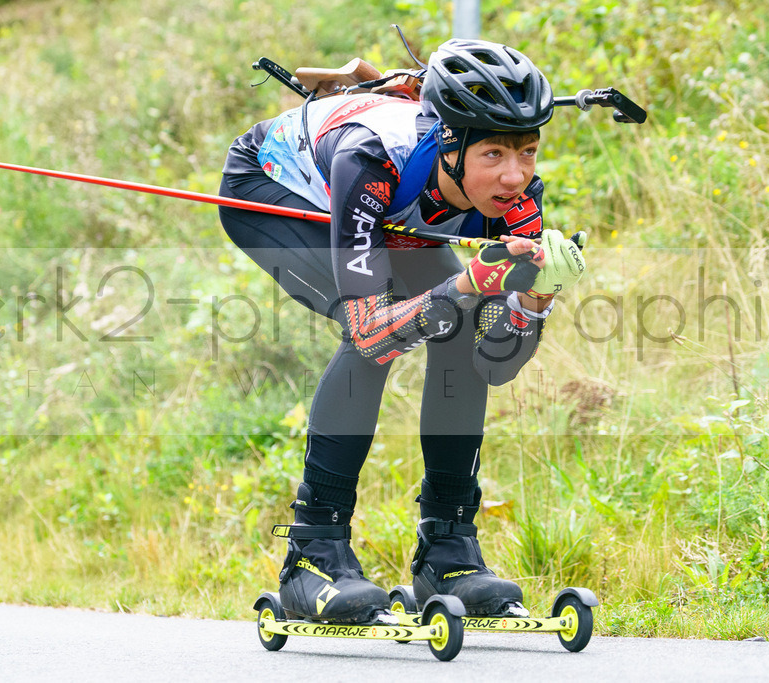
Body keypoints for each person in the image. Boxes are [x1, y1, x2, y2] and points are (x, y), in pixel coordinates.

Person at [218, 39, 587, 623]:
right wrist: (467, 284)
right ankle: (313, 555)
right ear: (449, 143)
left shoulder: (519, 202)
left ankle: (448, 549)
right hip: (274, 190)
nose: (514, 175)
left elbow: (495, 364)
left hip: (394, 212)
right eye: (493, 153)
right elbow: (372, 331)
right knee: (374, 334)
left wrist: (534, 300)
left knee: (458, 327)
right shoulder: (370, 157)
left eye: (528, 152)